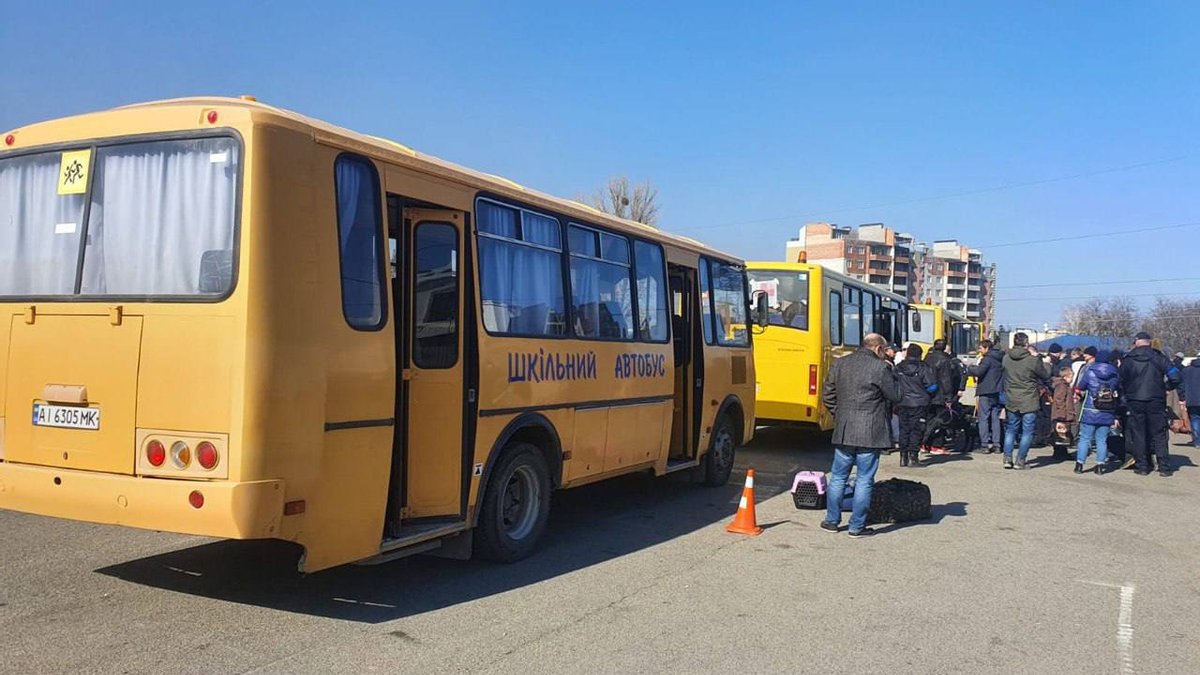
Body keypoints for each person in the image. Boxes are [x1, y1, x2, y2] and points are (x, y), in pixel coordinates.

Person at [820, 333, 900, 538]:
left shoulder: (841, 363)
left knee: (838, 477)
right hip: (871, 431)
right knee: (864, 479)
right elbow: (895, 396)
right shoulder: (881, 368)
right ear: (878, 349)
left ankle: (831, 520)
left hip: (845, 428)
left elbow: (827, 393)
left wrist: (839, 414)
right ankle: (856, 526)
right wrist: (894, 373)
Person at [1118, 332, 1180, 476]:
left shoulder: (1128, 359)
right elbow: (1176, 376)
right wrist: (1166, 387)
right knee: (1159, 433)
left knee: (1138, 433)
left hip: (1135, 400)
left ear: (1136, 342)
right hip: (1156, 399)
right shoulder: (1159, 357)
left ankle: (1142, 466)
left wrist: (1127, 395)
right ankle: (1164, 467)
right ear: (1149, 342)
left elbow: (1120, 381)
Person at [1002, 332, 1049, 470]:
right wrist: (1042, 361)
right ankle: (1020, 460)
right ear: (1026, 343)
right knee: (1027, 430)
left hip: (1011, 397)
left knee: (1011, 429)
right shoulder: (1032, 360)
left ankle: (1007, 458)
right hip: (1029, 398)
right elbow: (1045, 375)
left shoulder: (1006, 359)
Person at [1076, 350, 1120, 474]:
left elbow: (1080, 387)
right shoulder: (1114, 373)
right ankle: (1100, 466)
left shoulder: (1090, 372)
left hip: (1090, 409)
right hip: (1107, 410)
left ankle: (1079, 464)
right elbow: (1117, 388)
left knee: (1085, 438)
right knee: (1102, 440)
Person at [895, 344, 937, 467]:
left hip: (902, 402)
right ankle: (913, 457)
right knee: (916, 430)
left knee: (904, 429)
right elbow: (932, 386)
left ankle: (903, 457)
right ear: (920, 354)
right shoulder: (924, 368)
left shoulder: (898, 367)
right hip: (920, 403)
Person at [969, 339, 1004, 453]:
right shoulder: (1000, 358)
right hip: (997, 391)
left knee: (983, 418)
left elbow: (979, 372)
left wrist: (970, 368)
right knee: (995, 419)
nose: (979, 351)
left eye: (980, 348)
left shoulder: (987, 359)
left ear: (986, 348)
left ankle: (984, 444)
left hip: (985, 391)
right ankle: (997, 444)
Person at [1050, 365, 1077, 461]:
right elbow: (1059, 400)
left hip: (1062, 413)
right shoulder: (1062, 386)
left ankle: (1061, 452)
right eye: (1071, 377)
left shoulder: (1064, 386)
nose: (1072, 379)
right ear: (1066, 377)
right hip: (1061, 414)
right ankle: (1059, 453)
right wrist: (1062, 414)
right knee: (1061, 433)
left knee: (1063, 434)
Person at [1177, 350, 1200, 448]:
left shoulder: (1186, 370)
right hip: (1193, 398)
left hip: (1192, 399)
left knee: (1194, 419)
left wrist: (1182, 397)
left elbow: (1180, 384)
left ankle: (1197, 441)